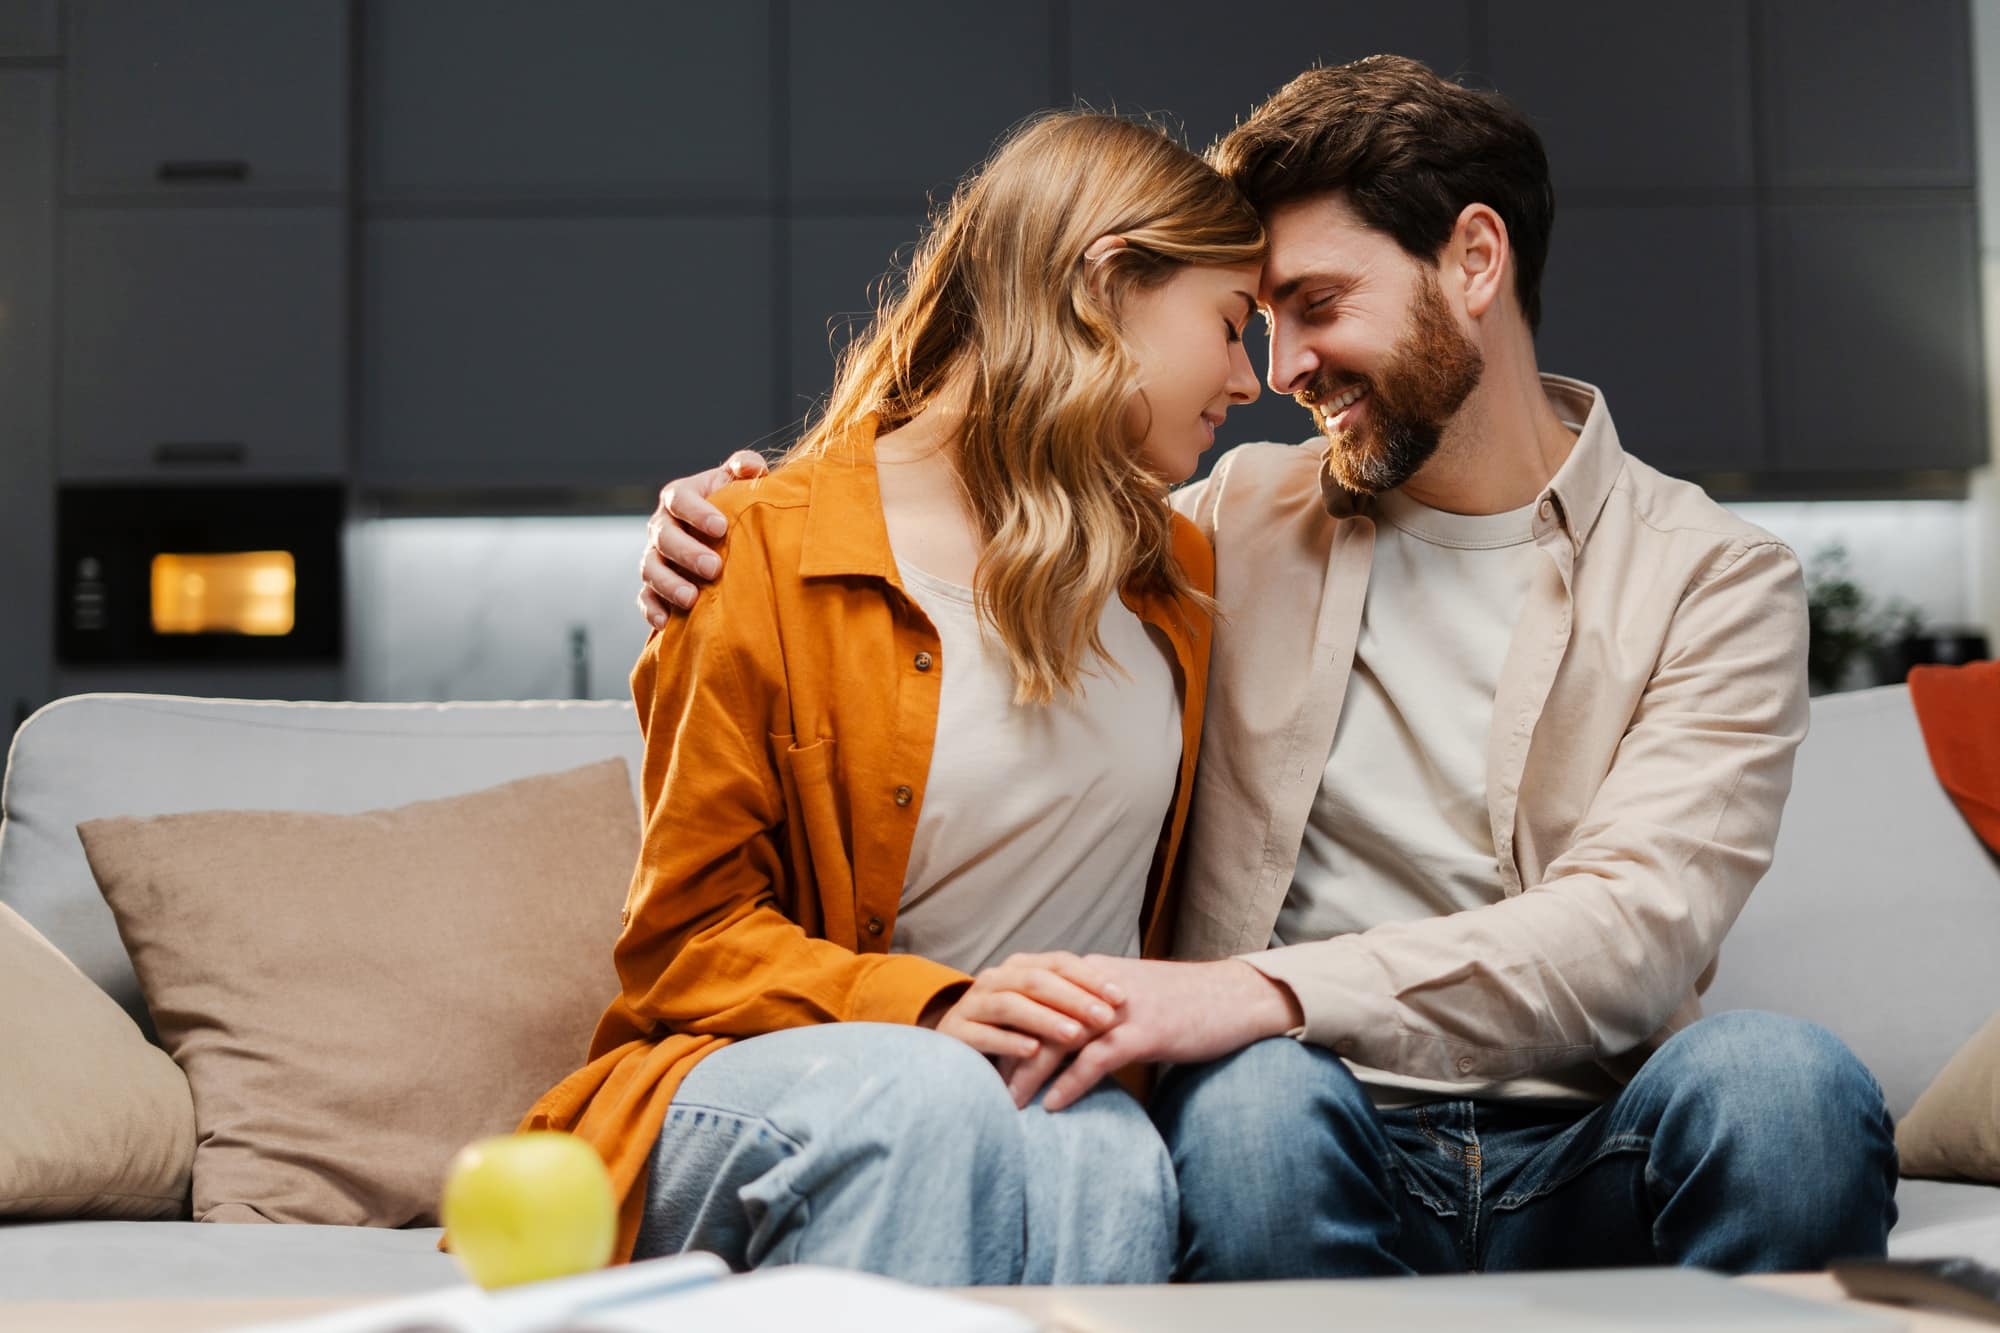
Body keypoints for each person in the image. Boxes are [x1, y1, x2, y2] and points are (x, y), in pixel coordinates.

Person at [638, 56, 1899, 1279]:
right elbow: (986, 512)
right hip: (1303, 1118)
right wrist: (736, 522)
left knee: (1787, 1088)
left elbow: (1630, 930)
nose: (1277, 372)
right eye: (1251, 321)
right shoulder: (1222, 523)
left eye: (1315, 304)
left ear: (1473, 259)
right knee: (1249, 1112)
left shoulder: (1713, 575)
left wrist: (1252, 993)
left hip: (1588, 1133)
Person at [519, 110, 1267, 1286]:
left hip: (1039, 1091)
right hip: (776, 1080)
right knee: (926, 1094)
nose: (1250, 378)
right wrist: (929, 1010)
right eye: (1228, 325)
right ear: (1106, 285)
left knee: (1108, 1152)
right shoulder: (759, 547)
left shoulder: (1178, 573)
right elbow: (684, 945)